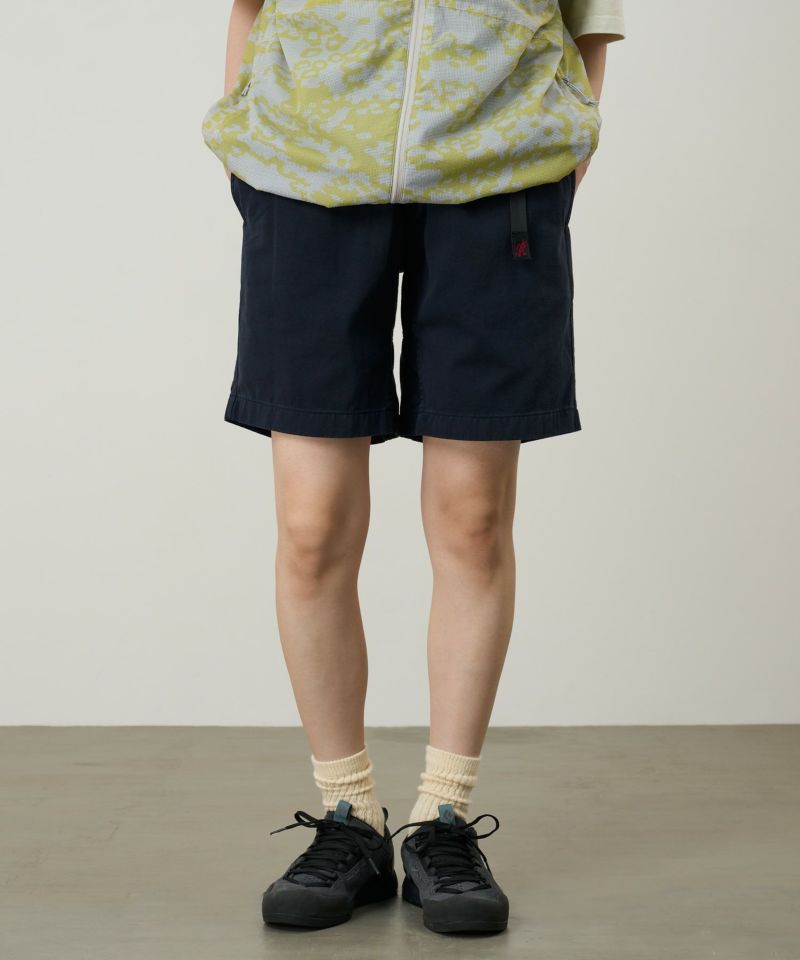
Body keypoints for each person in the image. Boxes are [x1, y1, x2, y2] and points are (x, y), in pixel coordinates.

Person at [202, 0, 625, 935]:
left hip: (498, 183)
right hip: (306, 178)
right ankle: (348, 815)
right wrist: (246, 153)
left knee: (473, 521)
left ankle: (444, 816)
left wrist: (566, 152)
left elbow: (590, 23)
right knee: (311, 527)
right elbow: (249, 7)